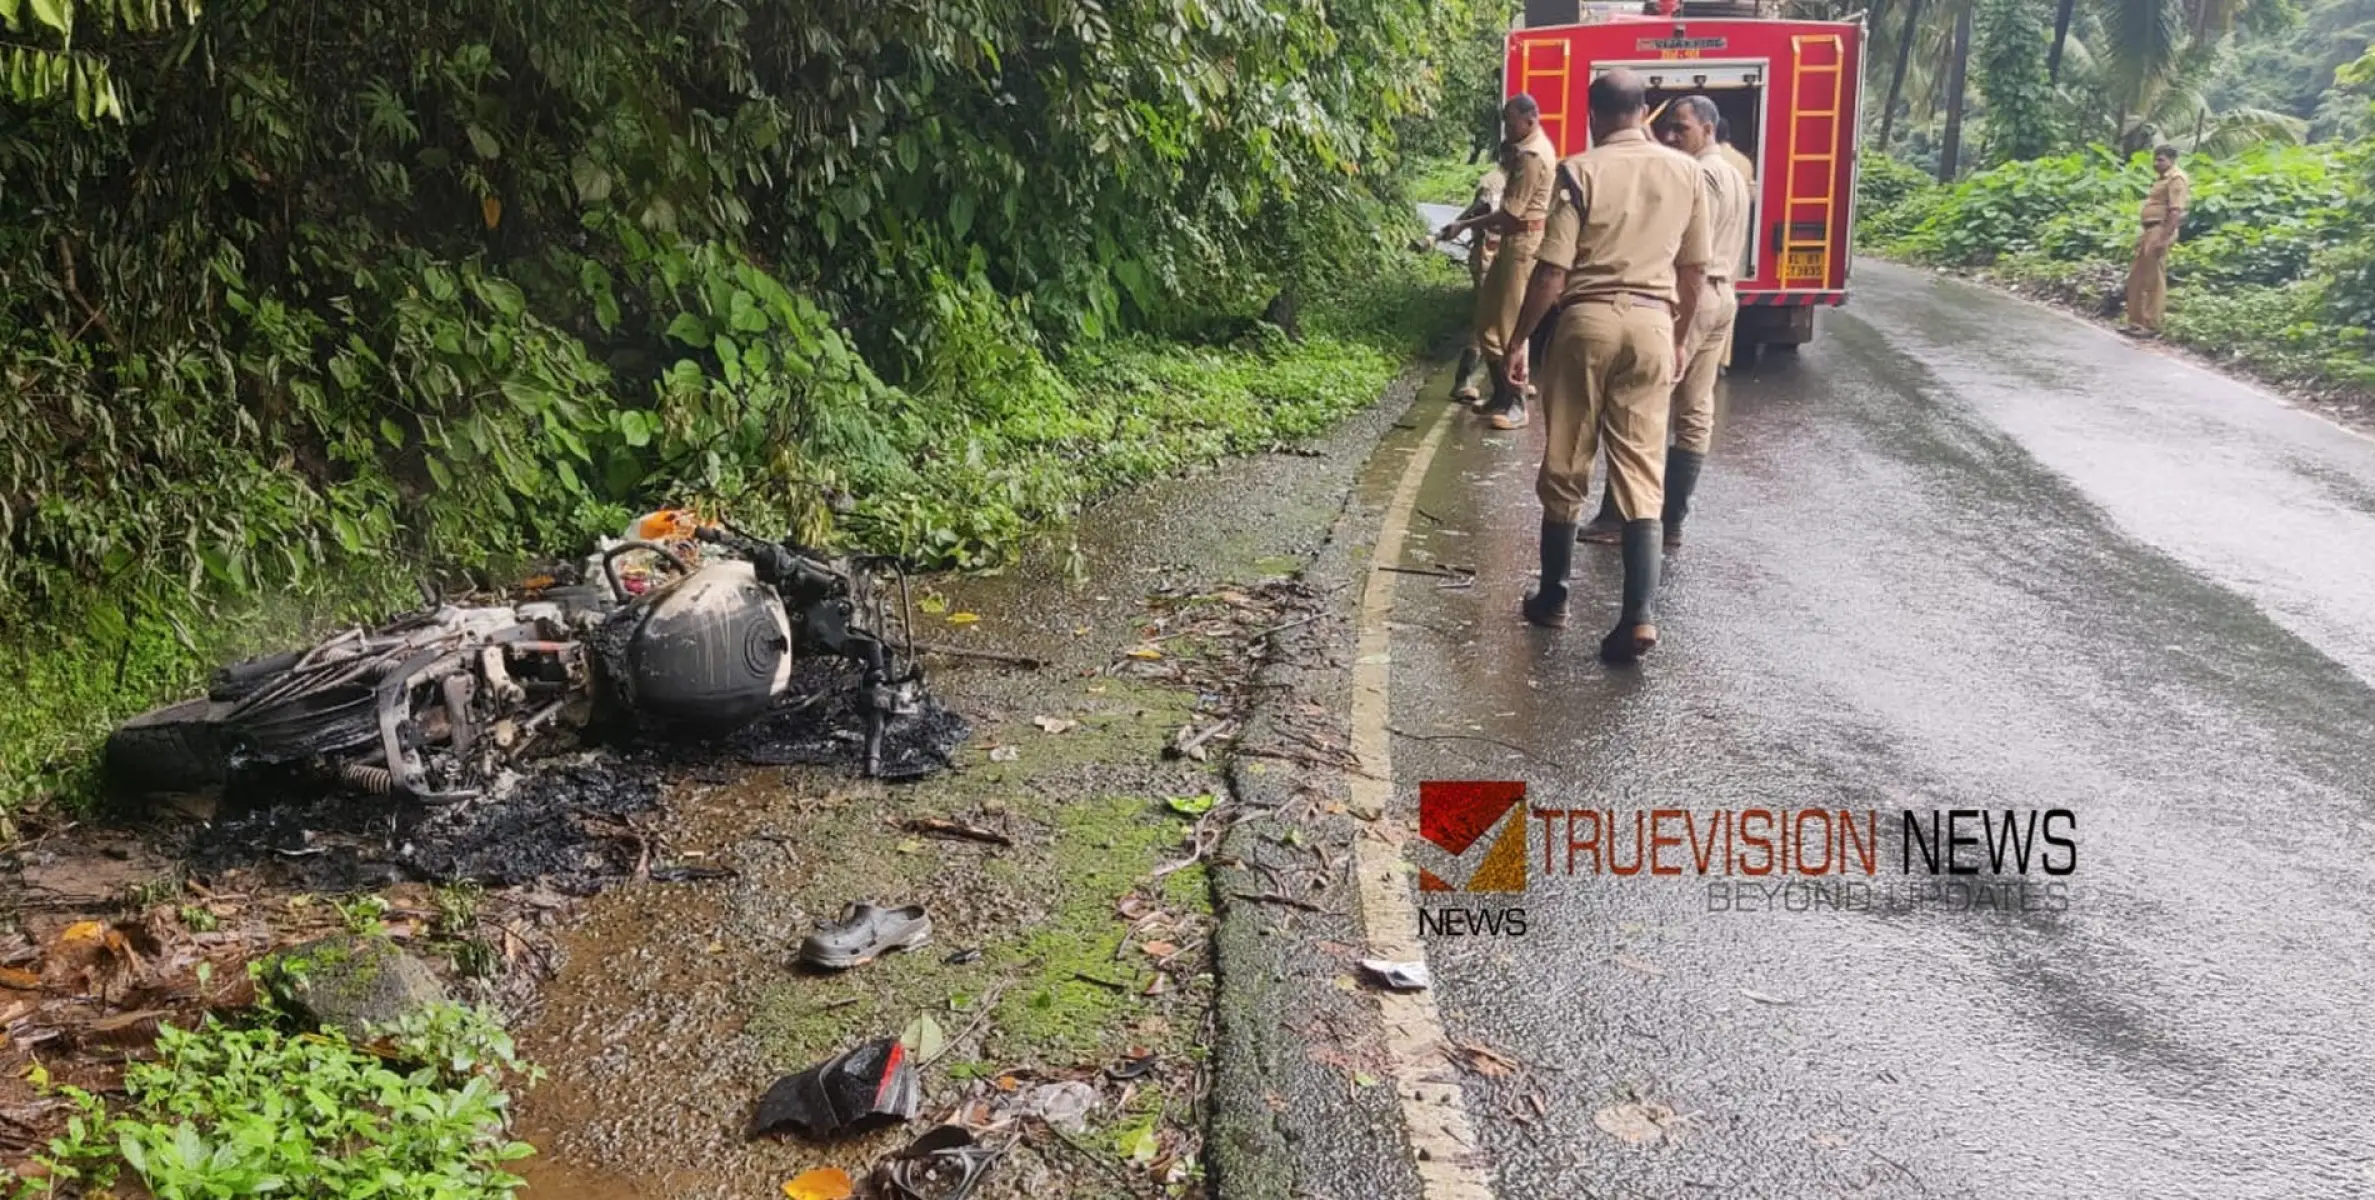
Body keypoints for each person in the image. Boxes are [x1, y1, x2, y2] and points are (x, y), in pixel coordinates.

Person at [1503, 68, 1709, 666]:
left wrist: (1519, 340)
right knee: (1642, 466)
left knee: (1568, 458)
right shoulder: (1688, 172)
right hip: (1651, 322)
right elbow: (1693, 271)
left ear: (1594, 114)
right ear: (1645, 111)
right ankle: (1638, 618)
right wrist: (1675, 337)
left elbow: (1552, 273)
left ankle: (1554, 598)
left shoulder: (1580, 170)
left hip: (1587, 322)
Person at [1578, 95, 1749, 551]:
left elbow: (1686, 250)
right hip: (1724, 295)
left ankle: (1622, 517)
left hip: (1693, 294)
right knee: (1695, 411)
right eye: (1668, 128)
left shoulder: (1702, 176)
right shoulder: (1734, 173)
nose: (1673, 137)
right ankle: (1672, 522)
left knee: (1641, 408)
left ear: (1709, 129)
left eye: (1682, 129)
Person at [1470, 94, 1561, 431]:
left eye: (1510, 123)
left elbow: (1510, 214)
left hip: (1524, 242)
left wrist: (1466, 226)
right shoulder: (1524, 150)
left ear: (1530, 120)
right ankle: (1499, 394)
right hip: (1512, 240)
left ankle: (1517, 402)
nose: (1506, 130)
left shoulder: (1533, 156)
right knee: (1486, 321)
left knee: (1511, 326)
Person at [1437, 157, 1511, 404]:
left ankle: (1511, 380)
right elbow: (1486, 213)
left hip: (1510, 256)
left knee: (1509, 316)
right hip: (1488, 254)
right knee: (1487, 318)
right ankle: (1463, 379)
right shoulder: (1493, 183)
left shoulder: (1521, 179)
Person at [2124, 145, 2189, 337]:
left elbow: (2175, 210)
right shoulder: (2161, 180)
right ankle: (2136, 321)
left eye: (2161, 160)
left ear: (2171, 160)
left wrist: (2164, 238)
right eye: (2155, 159)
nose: (2156, 163)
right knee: (2137, 276)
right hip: (2150, 229)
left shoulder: (2176, 179)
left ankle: (2151, 324)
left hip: (2160, 229)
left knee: (2154, 278)